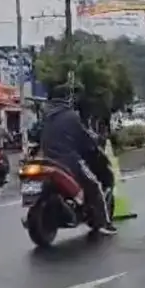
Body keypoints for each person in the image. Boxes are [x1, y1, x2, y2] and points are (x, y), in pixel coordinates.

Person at [39, 85, 115, 234]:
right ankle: (103, 223)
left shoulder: (45, 116)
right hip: (68, 160)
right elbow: (83, 138)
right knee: (94, 185)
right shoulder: (71, 116)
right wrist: (94, 144)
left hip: (47, 160)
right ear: (66, 98)